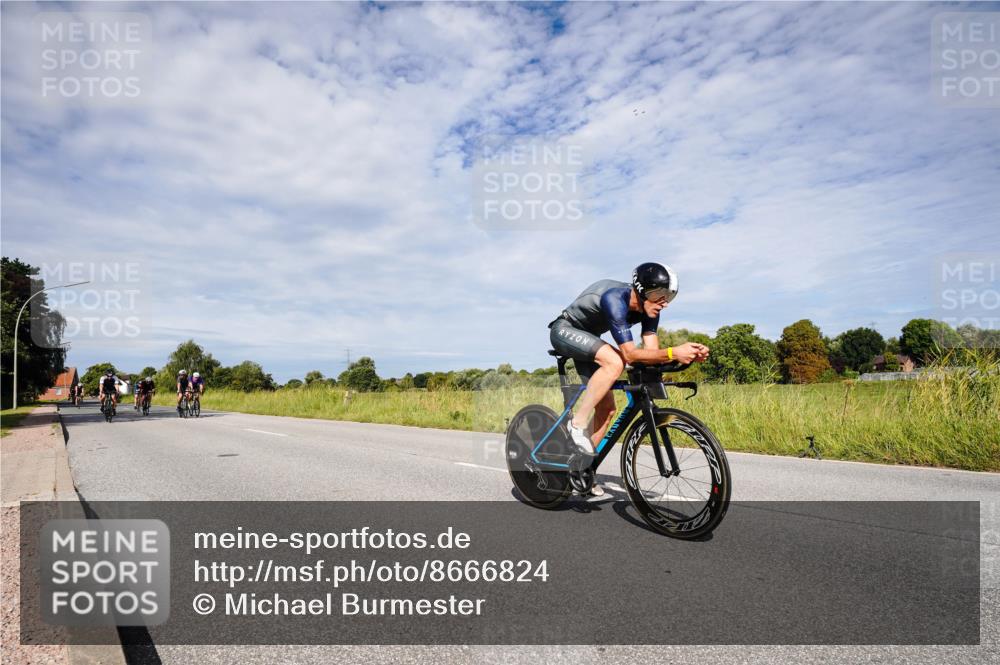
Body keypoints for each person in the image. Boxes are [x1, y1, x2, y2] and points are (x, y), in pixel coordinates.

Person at [548, 262, 710, 496]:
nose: (664, 302)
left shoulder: (651, 311)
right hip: (565, 330)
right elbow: (630, 354)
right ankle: (577, 423)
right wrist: (674, 351)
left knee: (607, 410)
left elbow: (650, 356)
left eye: (669, 297)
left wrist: (687, 358)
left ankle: (581, 467)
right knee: (616, 362)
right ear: (641, 289)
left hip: (589, 338)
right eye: (659, 295)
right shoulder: (615, 298)